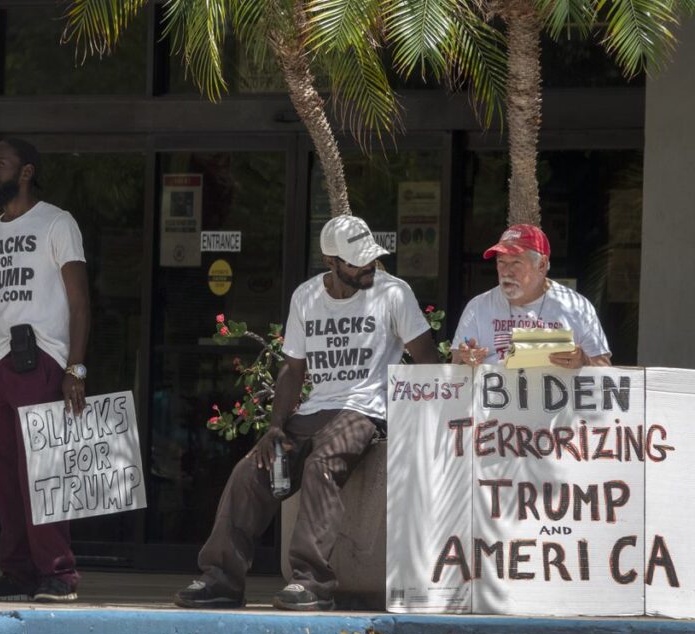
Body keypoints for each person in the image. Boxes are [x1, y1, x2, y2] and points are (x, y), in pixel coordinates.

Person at [174, 215, 439, 612]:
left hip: (367, 409)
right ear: (330, 261)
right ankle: (221, 579)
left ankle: (312, 582)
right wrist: (275, 427)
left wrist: (415, 421)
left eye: (370, 259)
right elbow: (293, 369)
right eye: (356, 262)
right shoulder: (307, 297)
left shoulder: (393, 294)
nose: (367, 267)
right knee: (252, 471)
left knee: (322, 465)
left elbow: (426, 358)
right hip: (316, 409)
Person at [0, 137, 90, 602]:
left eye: (1, 163)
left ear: (27, 171)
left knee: (44, 470)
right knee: (4, 476)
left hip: (44, 360)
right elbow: (0, 310)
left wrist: (75, 366)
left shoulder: (57, 222)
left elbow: (79, 300)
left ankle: (59, 572)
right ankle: (17, 573)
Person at [453, 224, 611, 368]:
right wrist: (466, 358)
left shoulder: (576, 306)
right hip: (494, 398)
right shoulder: (479, 306)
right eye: (501, 262)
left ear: (541, 265)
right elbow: (455, 368)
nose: (506, 271)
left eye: (516, 263)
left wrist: (584, 361)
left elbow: (605, 370)